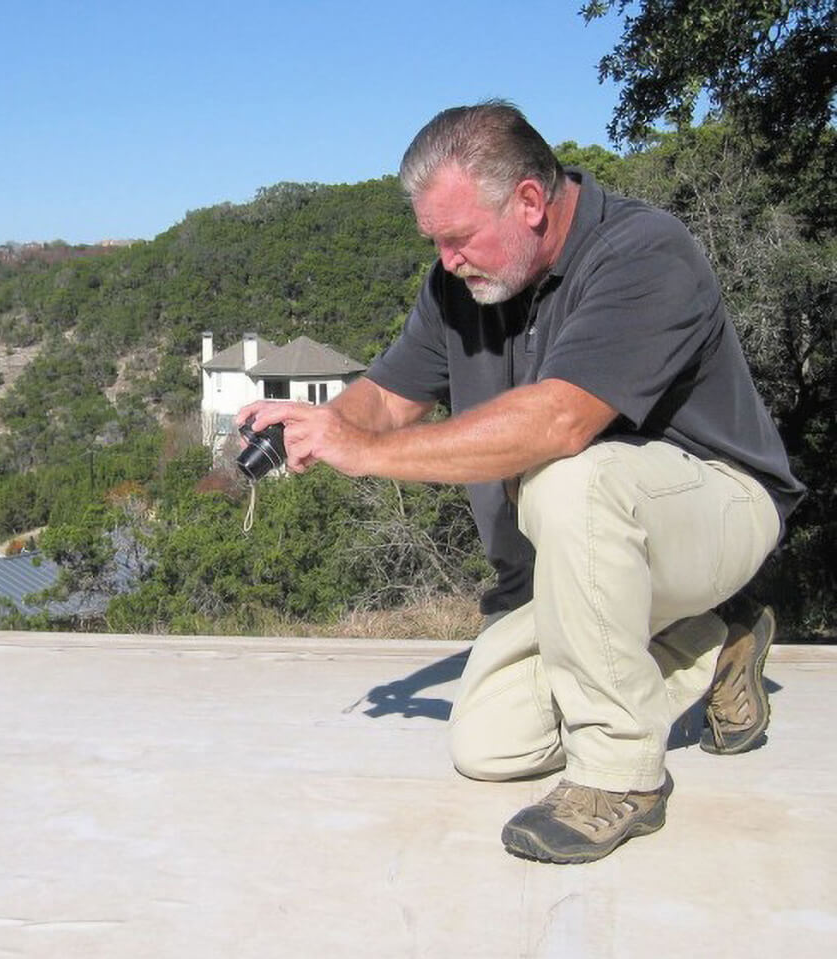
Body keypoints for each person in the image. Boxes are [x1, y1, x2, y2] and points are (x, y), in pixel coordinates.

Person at [236, 101, 804, 864]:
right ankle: (710, 635)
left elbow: (558, 423)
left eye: (458, 237)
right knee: (488, 743)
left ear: (530, 203)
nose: (446, 260)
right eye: (433, 241)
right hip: (579, 565)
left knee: (569, 477)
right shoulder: (458, 288)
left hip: (715, 512)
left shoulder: (645, 253)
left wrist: (364, 455)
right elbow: (388, 398)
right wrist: (317, 425)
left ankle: (619, 778)